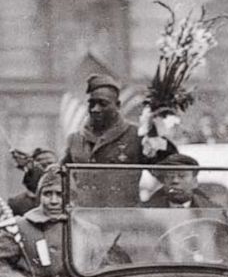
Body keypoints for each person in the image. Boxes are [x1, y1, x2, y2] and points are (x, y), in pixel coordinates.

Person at [0, 165, 106, 277]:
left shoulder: (87, 230)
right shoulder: (20, 227)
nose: (53, 201)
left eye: (60, 194)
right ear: (39, 196)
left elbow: (102, 269)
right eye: (47, 194)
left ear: (71, 197)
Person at [62, 73, 174, 207]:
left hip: (122, 219)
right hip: (84, 219)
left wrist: (157, 137)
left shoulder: (137, 136)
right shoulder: (75, 139)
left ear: (118, 105)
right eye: (92, 103)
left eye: (103, 104)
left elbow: (170, 172)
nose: (95, 109)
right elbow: (59, 177)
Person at [144, 154, 218, 209]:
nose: (175, 181)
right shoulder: (148, 210)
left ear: (194, 182)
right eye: (170, 176)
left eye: (182, 176)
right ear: (164, 182)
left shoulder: (212, 210)